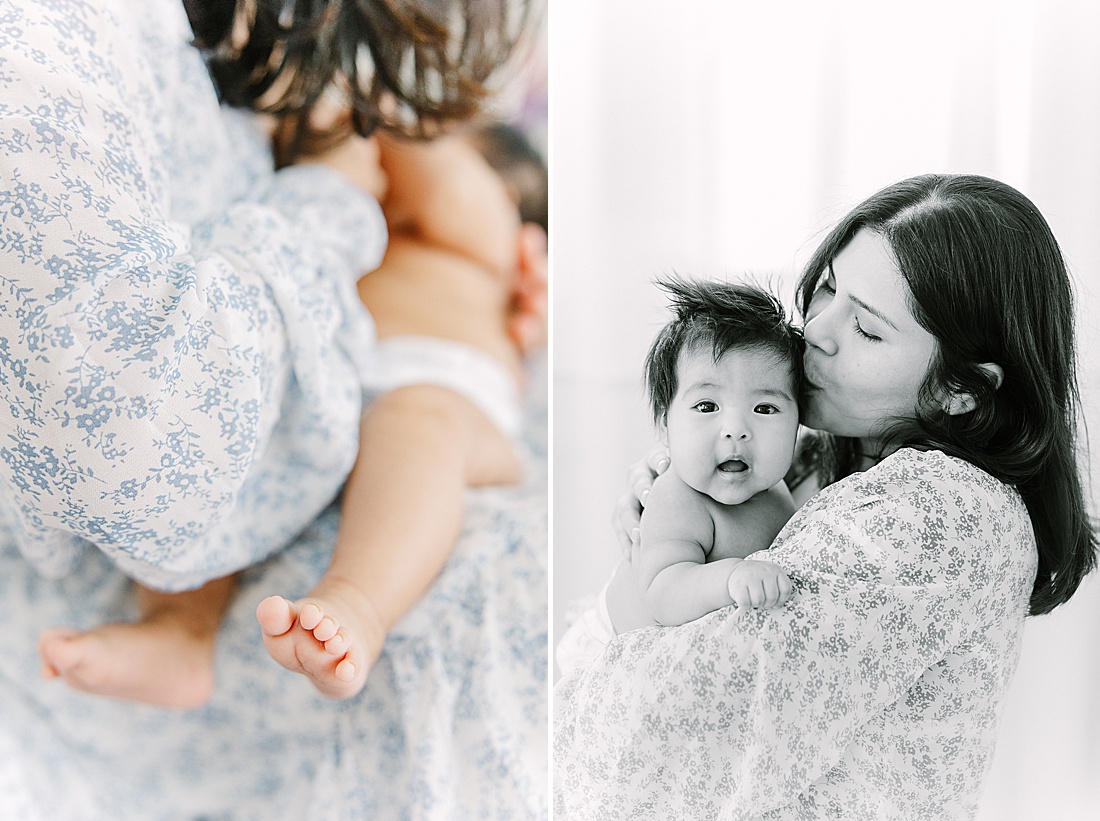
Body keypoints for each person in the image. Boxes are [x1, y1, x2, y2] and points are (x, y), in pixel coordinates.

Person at [3, 0, 542, 709]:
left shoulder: (478, 233)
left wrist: (387, 106)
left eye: (442, 136)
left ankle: (358, 602)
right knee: (233, 453)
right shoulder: (348, 209)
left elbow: (439, 183)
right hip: (334, 397)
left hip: (443, 393)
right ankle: (181, 632)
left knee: (416, 429)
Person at [554, 174, 1097, 819]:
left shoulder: (944, 516)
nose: (816, 331)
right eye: (829, 289)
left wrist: (611, 623)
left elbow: (669, 722)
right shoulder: (814, 454)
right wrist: (675, 506)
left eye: (866, 329)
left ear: (963, 389)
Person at [555, 278, 802, 677]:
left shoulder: (776, 488)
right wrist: (732, 576)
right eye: (707, 406)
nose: (735, 429)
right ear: (665, 426)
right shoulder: (678, 496)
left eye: (765, 408)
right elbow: (665, 592)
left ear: (797, 425)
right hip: (608, 652)